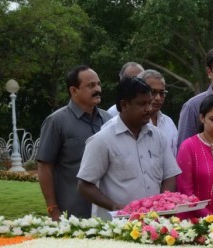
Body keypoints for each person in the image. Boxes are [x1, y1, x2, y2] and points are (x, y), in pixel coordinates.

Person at [77, 77, 181, 220]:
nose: (149, 109)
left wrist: (162, 204)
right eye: (142, 104)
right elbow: (84, 185)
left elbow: (169, 176)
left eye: (149, 103)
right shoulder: (102, 140)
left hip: (154, 223)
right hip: (117, 227)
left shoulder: (158, 136)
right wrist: (115, 207)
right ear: (124, 105)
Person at [37, 65, 112, 220]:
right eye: (91, 86)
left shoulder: (108, 121)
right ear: (74, 91)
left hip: (107, 212)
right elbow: (45, 167)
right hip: (72, 213)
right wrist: (52, 209)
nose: (97, 89)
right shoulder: (57, 121)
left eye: (98, 84)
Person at [137, 69, 178, 156]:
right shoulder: (133, 123)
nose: (158, 98)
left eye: (162, 93)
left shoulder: (169, 123)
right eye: (153, 92)